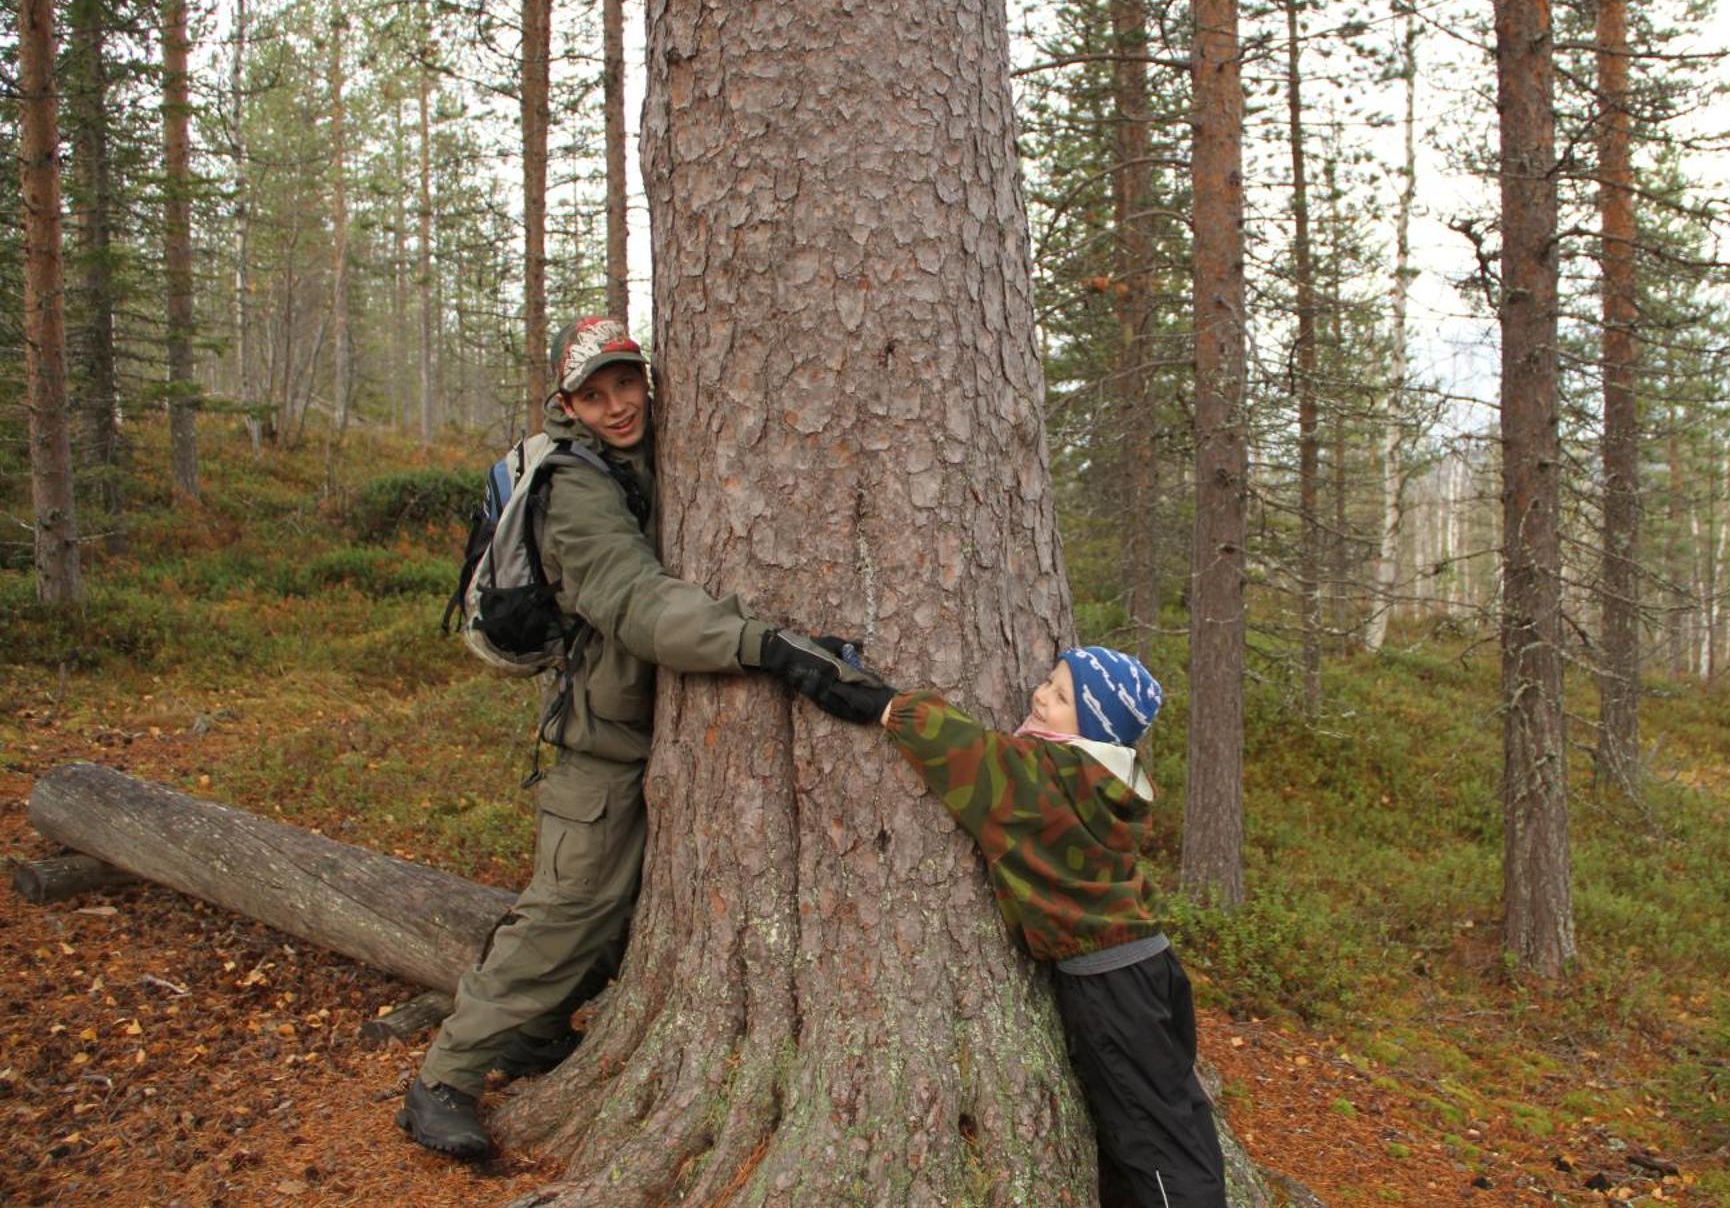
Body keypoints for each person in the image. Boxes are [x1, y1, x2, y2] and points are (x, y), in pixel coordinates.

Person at [400, 316, 877, 1159]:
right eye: (596, 392)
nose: (619, 404)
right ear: (568, 402)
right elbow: (633, 600)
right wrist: (763, 643)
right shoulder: (576, 489)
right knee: (569, 909)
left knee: (623, 909)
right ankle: (444, 1077)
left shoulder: (646, 458)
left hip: (642, 728)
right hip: (603, 739)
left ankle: (535, 1033)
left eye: (627, 382)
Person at [784, 645, 1229, 1207]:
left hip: (1114, 987)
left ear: (1094, 725)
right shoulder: (1103, 778)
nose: (1040, 695)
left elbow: (970, 753)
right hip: (1149, 966)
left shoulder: (1049, 780)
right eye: (1049, 681)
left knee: (1151, 1136)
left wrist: (883, 704)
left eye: (1063, 696)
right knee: (1176, 1114)